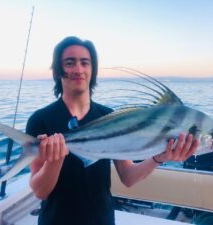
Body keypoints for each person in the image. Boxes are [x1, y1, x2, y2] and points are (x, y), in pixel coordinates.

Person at [26, 36, 199, 225]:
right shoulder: (40, 119)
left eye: (85, 63)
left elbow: (128, 177)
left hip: (102, 219)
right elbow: (40, 191)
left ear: (92, 70)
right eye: (69, 63)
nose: (78, 69)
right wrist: (55, 160)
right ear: (59, 70)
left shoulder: (109, 116)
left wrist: (160, 157)